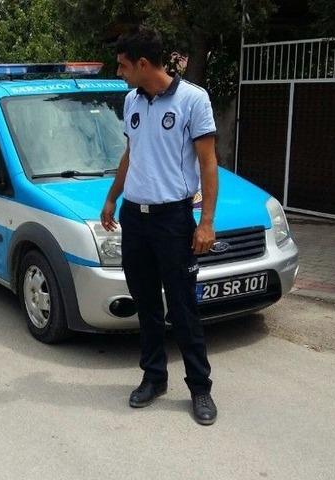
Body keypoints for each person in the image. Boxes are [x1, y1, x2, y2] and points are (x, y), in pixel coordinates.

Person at [100, 27, 219, 425]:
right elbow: (131, 153)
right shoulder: (131, 100)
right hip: (136, 217)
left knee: (183, 307)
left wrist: (205, 222)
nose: (120, 72)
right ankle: (154, 378)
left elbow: (208, 163)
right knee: (147, 305)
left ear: (144, 64)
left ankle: (200, 388)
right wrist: (113, 197)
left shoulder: (192, 100)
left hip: (173, 220)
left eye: (123, 65)